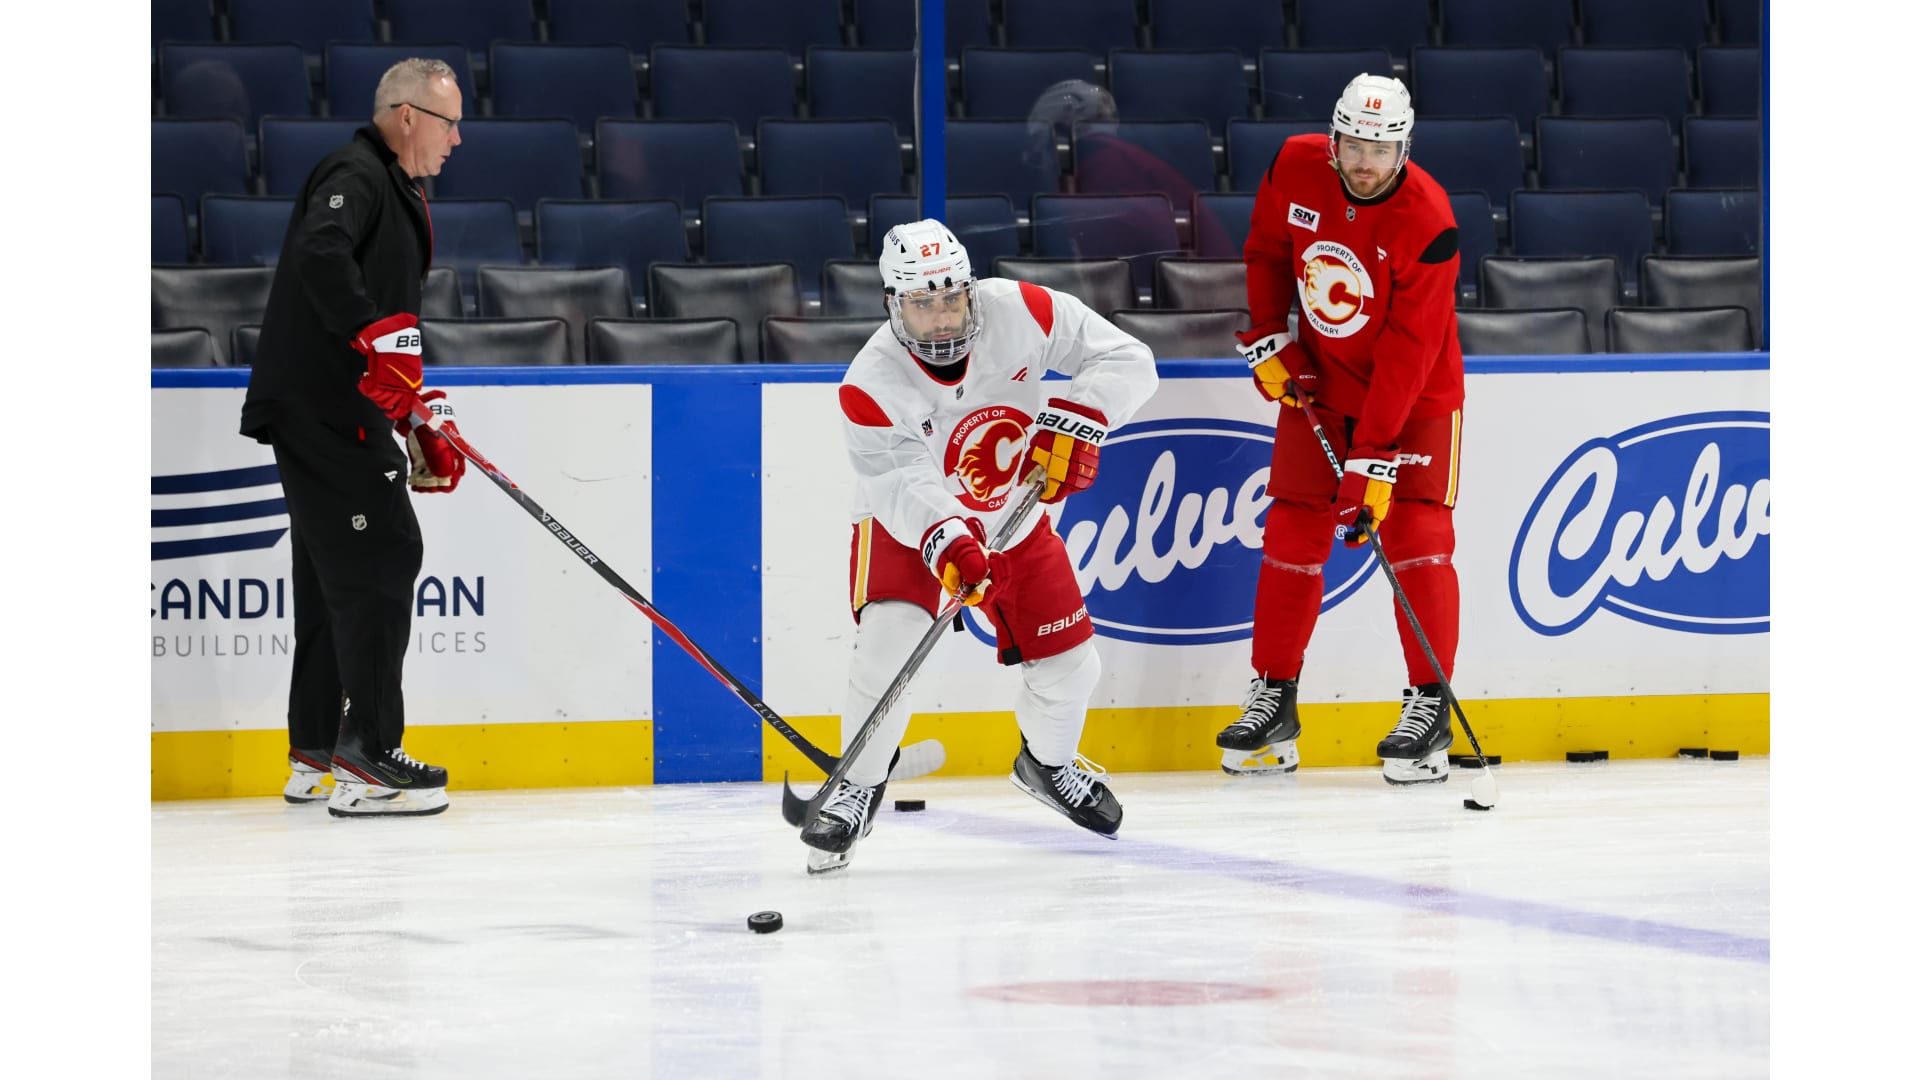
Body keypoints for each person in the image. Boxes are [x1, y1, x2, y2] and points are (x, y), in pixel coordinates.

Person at [801, 219, 1160, 874]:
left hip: (1012, 515)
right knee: (888, 646)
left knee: (1072, 666)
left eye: (951, 298)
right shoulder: (869, 383)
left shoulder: (1023, 309)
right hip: (908, 527)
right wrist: (949, 540)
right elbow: (901, 483)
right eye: (922, 303)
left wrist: (1082, 416)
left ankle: (1048, 764)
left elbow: (1128, 360)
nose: (942, 318)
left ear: (970, 288)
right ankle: (859, 783)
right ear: (892, 304)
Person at [1216, 74, 1466, 786]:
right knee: (1292, 531)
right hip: (1321, 384)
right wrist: (1271, 333)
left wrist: (1373, 456)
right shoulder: (1294, 164)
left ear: (1404, 150)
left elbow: (1410, 350)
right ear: (1333, 138)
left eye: (1380, 151)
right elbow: (1267, 250)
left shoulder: (1430, 221)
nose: (1364, 163)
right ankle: (1274, 698)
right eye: (1354, 145)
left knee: (1416, 536)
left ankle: (1429, 708)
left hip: (1416, 399)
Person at [239, 59, 469, 817]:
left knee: (328, 574)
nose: (456, 140)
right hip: (324, 407)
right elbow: (321, 252)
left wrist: (411, 413)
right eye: (448, 123)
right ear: (407, 116)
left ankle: (315, 751)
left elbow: (385, 336)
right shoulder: (356, 171)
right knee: (383, 555)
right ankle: (369, 757)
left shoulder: (394, 186)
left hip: (332, 404)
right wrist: (371, 339)